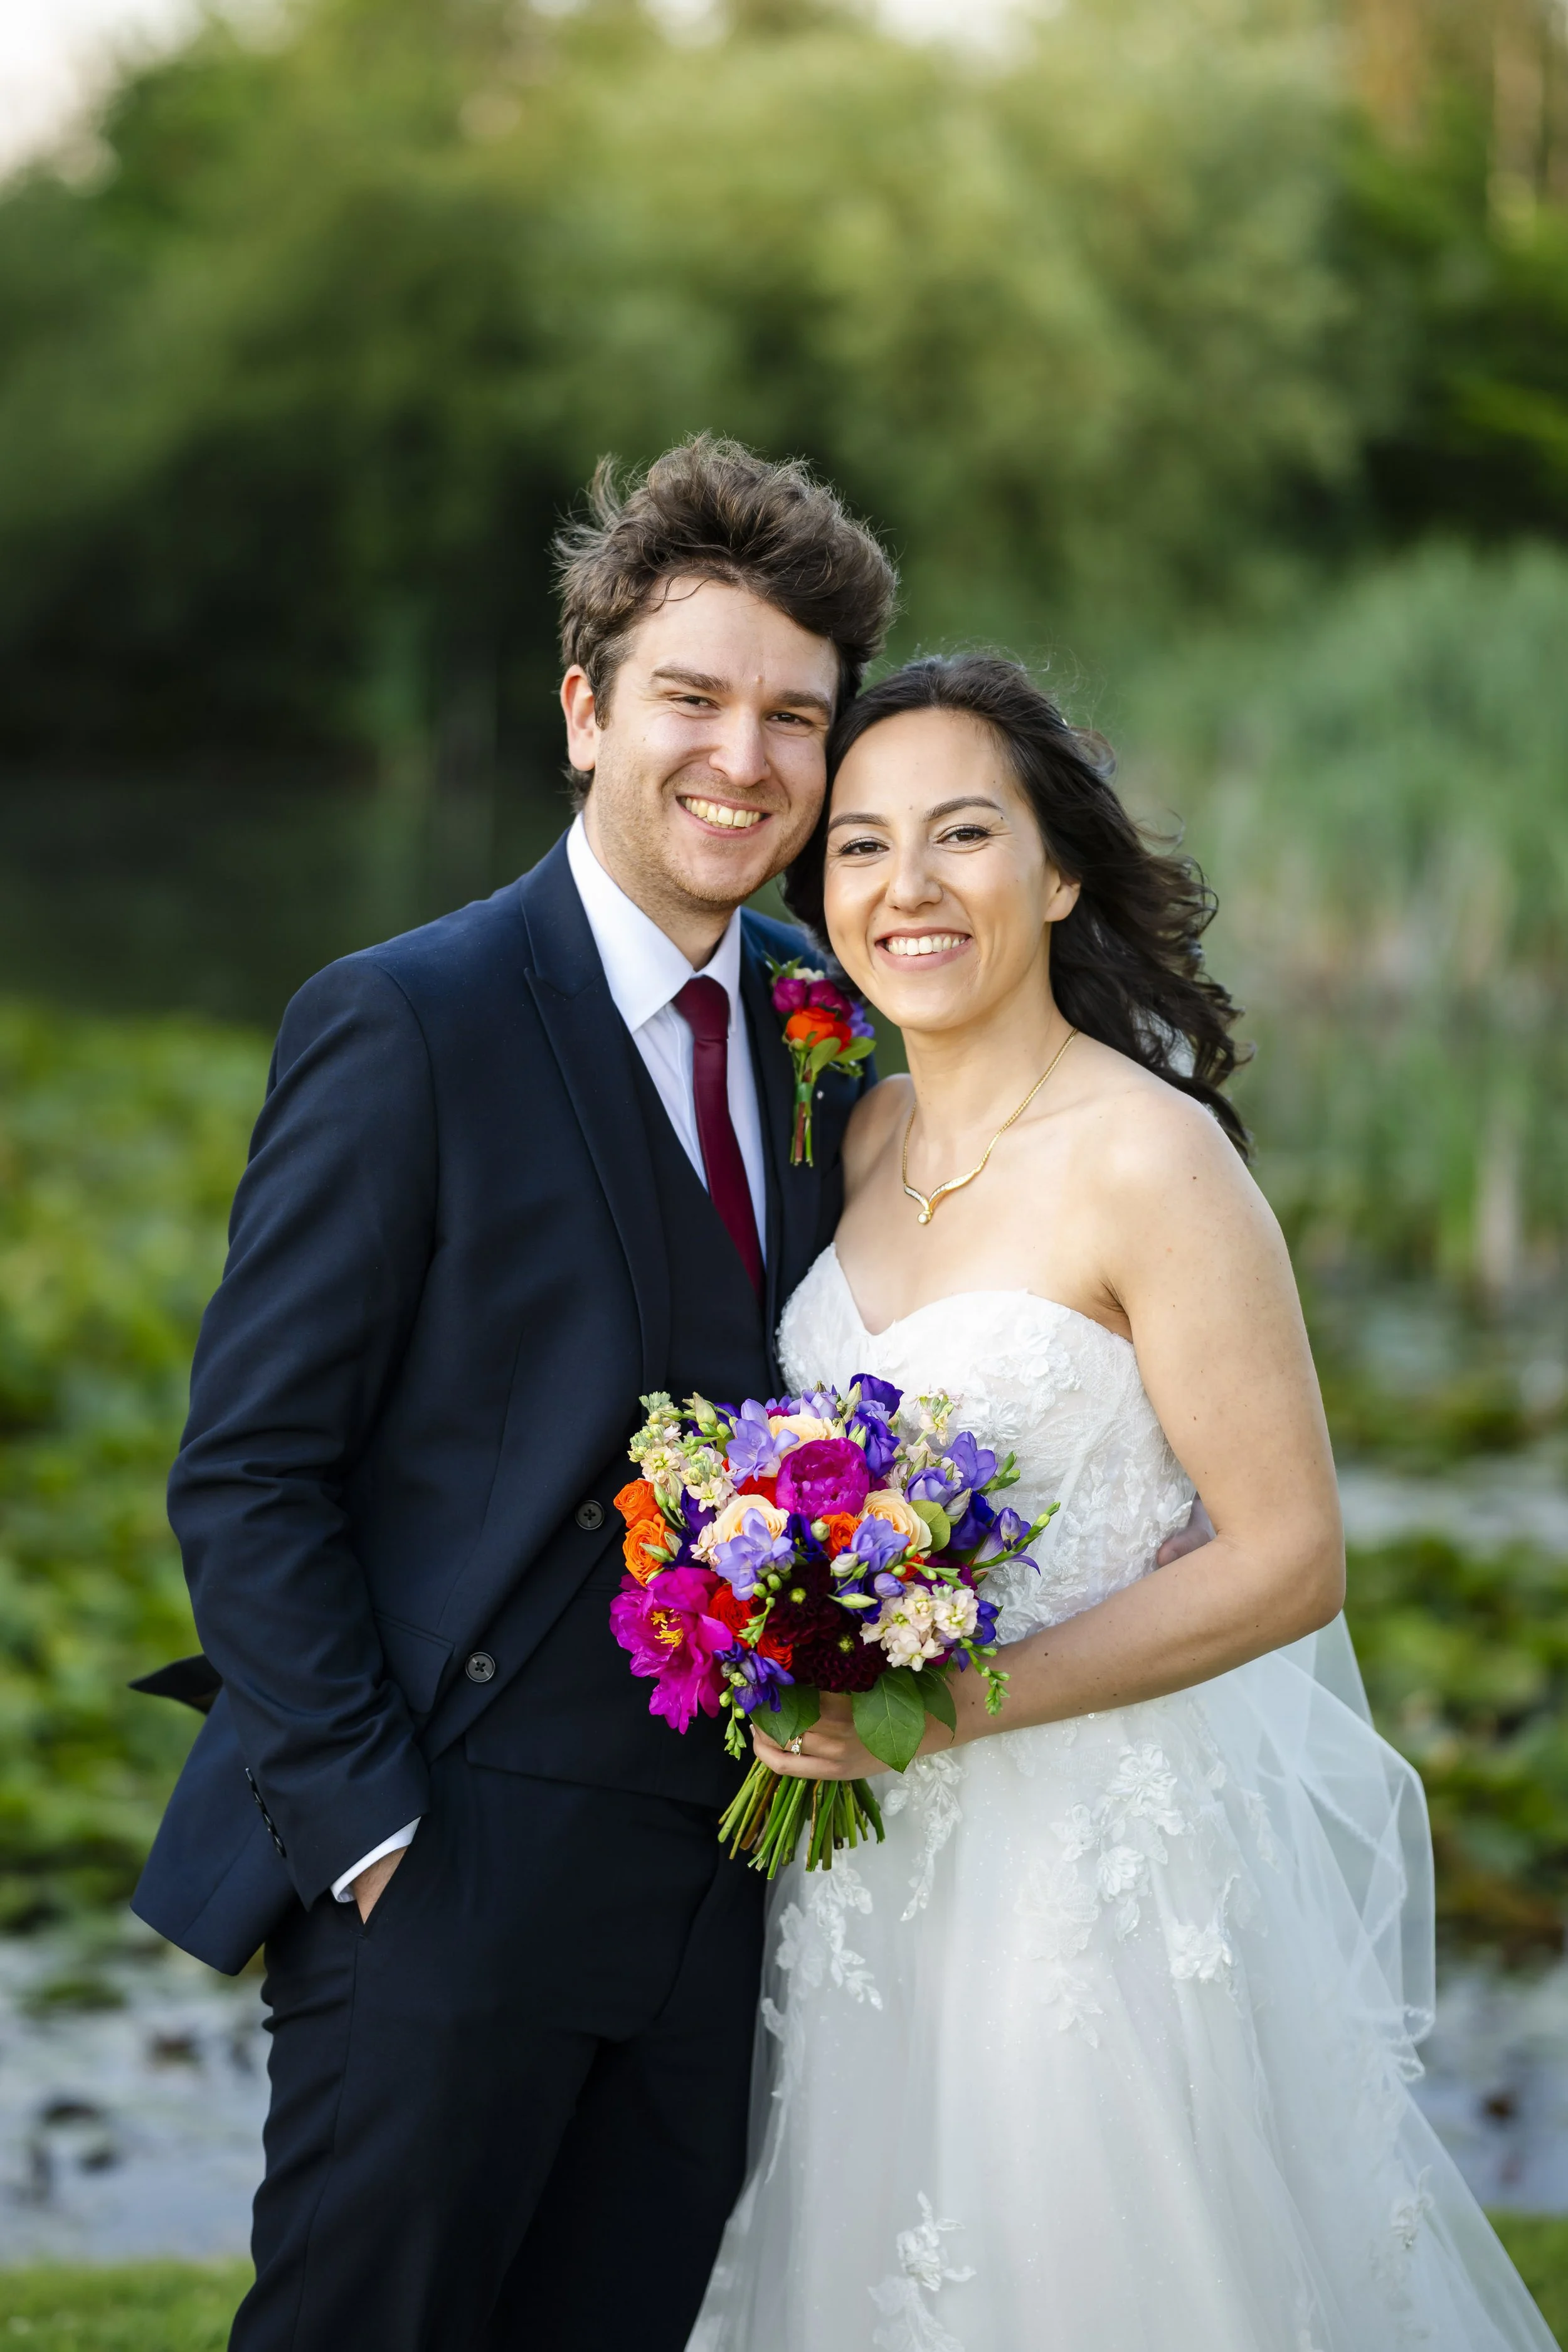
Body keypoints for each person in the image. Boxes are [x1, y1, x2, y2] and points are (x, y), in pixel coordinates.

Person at [129, 435, 898, 2352]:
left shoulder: (824, 1012)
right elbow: (250, 1471)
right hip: (442, 1874)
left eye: (793, 718)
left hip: (719, 1889)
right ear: (582, 711)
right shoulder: (409, 1016)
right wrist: (374, 1836)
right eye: (691, 699)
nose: (743, 759)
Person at [690, 654, 1555, 2351]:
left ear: (1057, 867)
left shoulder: (1150, 1158)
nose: (906, 887)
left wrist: (935, 1708)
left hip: (1074, 1868)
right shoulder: (852, 1137)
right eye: (857, 848)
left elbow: (1289, 1555)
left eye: (961, 834)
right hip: (863, 1878)